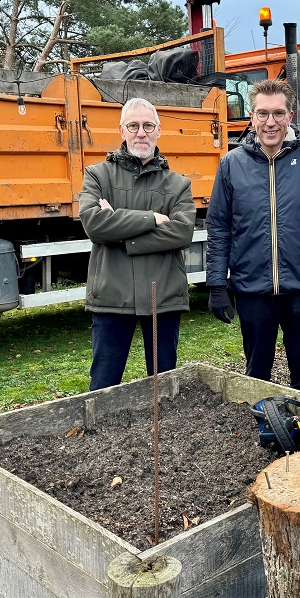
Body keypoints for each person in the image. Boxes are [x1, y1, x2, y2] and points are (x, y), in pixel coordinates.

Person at [205, 78, 300, 392]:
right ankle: (267, 429)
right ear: (251, 118)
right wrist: (216, 284)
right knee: (257, 375)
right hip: (253, 289)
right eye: (263, 114)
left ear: (290, 116)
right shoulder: (231, 165)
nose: (271, 122)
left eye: (278, 114)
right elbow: (219, 228)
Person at [78, 97, 195, 390]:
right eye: (133, 125)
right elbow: (94, 224)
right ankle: (101, 437)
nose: (140, 132)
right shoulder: (97, 174)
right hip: (111, 299)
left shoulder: (178, 183)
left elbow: (182, 233)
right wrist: (153, 218)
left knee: (162, 388)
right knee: (103, 387)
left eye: (147, 125)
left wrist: (121, 232)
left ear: (158, 131)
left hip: (163, 299)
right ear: (121, 130)